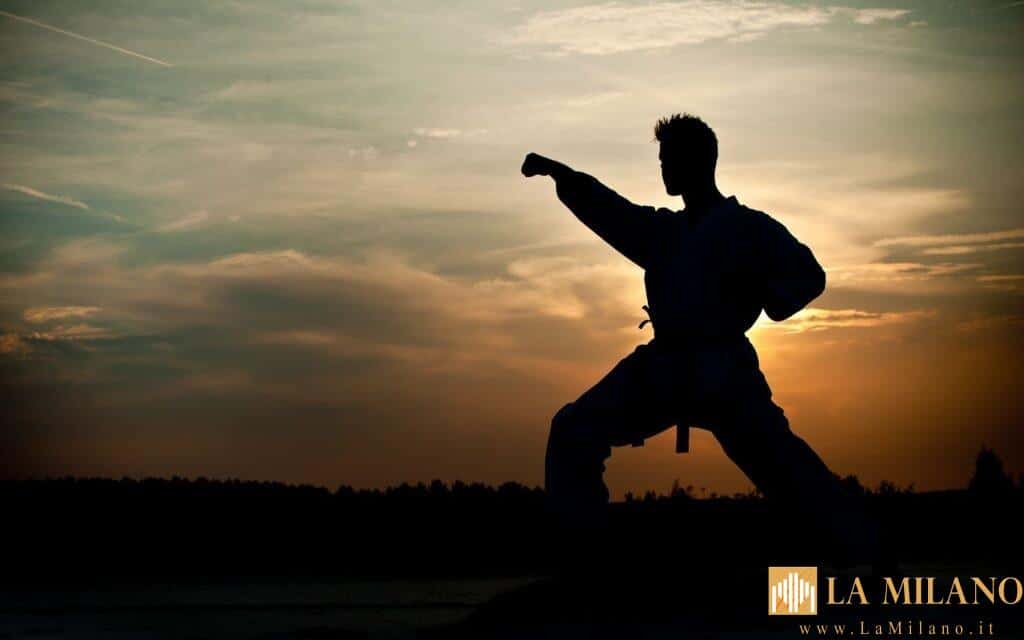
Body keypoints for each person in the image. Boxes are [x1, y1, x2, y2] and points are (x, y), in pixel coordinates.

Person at [522, 113, 878, 567]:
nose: (663, 170)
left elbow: (809, 275)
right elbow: (613, 211)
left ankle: (861, 556)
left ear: (697, 162)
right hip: (665, 368)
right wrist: (562, 176)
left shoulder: (749, 228)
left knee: (788, 470)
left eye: (669, 160)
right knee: (573, 431)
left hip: (723, 372)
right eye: (661, 161)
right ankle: (585, 564)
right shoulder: (664, 233)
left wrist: (771, 298)